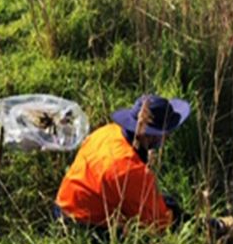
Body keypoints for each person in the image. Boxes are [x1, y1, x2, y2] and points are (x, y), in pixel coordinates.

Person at [55, 94, 191, 232]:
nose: (167, 138)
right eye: (165, 133)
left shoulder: (107, 131)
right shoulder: (132, 170)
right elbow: (158, 224)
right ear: (151, 135)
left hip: (63, 206)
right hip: (82, 226)